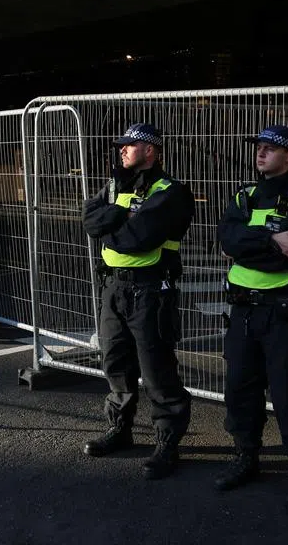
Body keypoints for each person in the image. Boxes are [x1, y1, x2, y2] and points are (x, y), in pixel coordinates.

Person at [214, 124, 288, 515]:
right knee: (240, 388)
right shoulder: (243, 195)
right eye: (259, 148)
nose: (261, 153)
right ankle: (246, 455)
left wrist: (257, 244)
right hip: (244, 310)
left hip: (286, 312)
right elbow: (227, 240)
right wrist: (270, 238)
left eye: (270, 148)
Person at [80, 123, 195, 480]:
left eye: (130, 145)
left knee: (157, 369)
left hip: (150, 291)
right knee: (115, 362)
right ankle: (120, 429)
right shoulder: (116, 186)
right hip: (114, 288)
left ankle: (167, 442)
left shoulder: (171, 191)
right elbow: (88, 220)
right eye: (122, 145)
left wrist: (113, 220)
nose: (122, 150)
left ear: (151, 150)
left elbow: (137, 239)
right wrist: (121, 213)